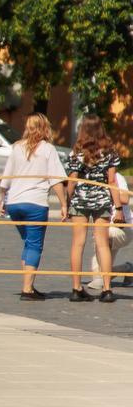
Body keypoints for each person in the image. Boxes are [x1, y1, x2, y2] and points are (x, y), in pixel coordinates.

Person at [0, 112, 61, 300]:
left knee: (28, 243)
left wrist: (2, 200)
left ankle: (29, 286)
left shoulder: (17, 148)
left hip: (15, 202)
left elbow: (6, 178)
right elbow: (56, 179)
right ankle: (27, 289)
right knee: (34, 245)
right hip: (36, 203)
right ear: (45, 128)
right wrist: (64, 203)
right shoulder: (48, 149)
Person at [60, 115, 122, 303]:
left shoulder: (77, 151)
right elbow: (112, 181)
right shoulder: (110, 152)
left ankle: (76, 288)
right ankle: (107, 288)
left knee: (78, 243)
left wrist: (66, 202)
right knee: (103, 244)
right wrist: (118, 207)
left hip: (80, 200)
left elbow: (72, 180)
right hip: (102, 200)